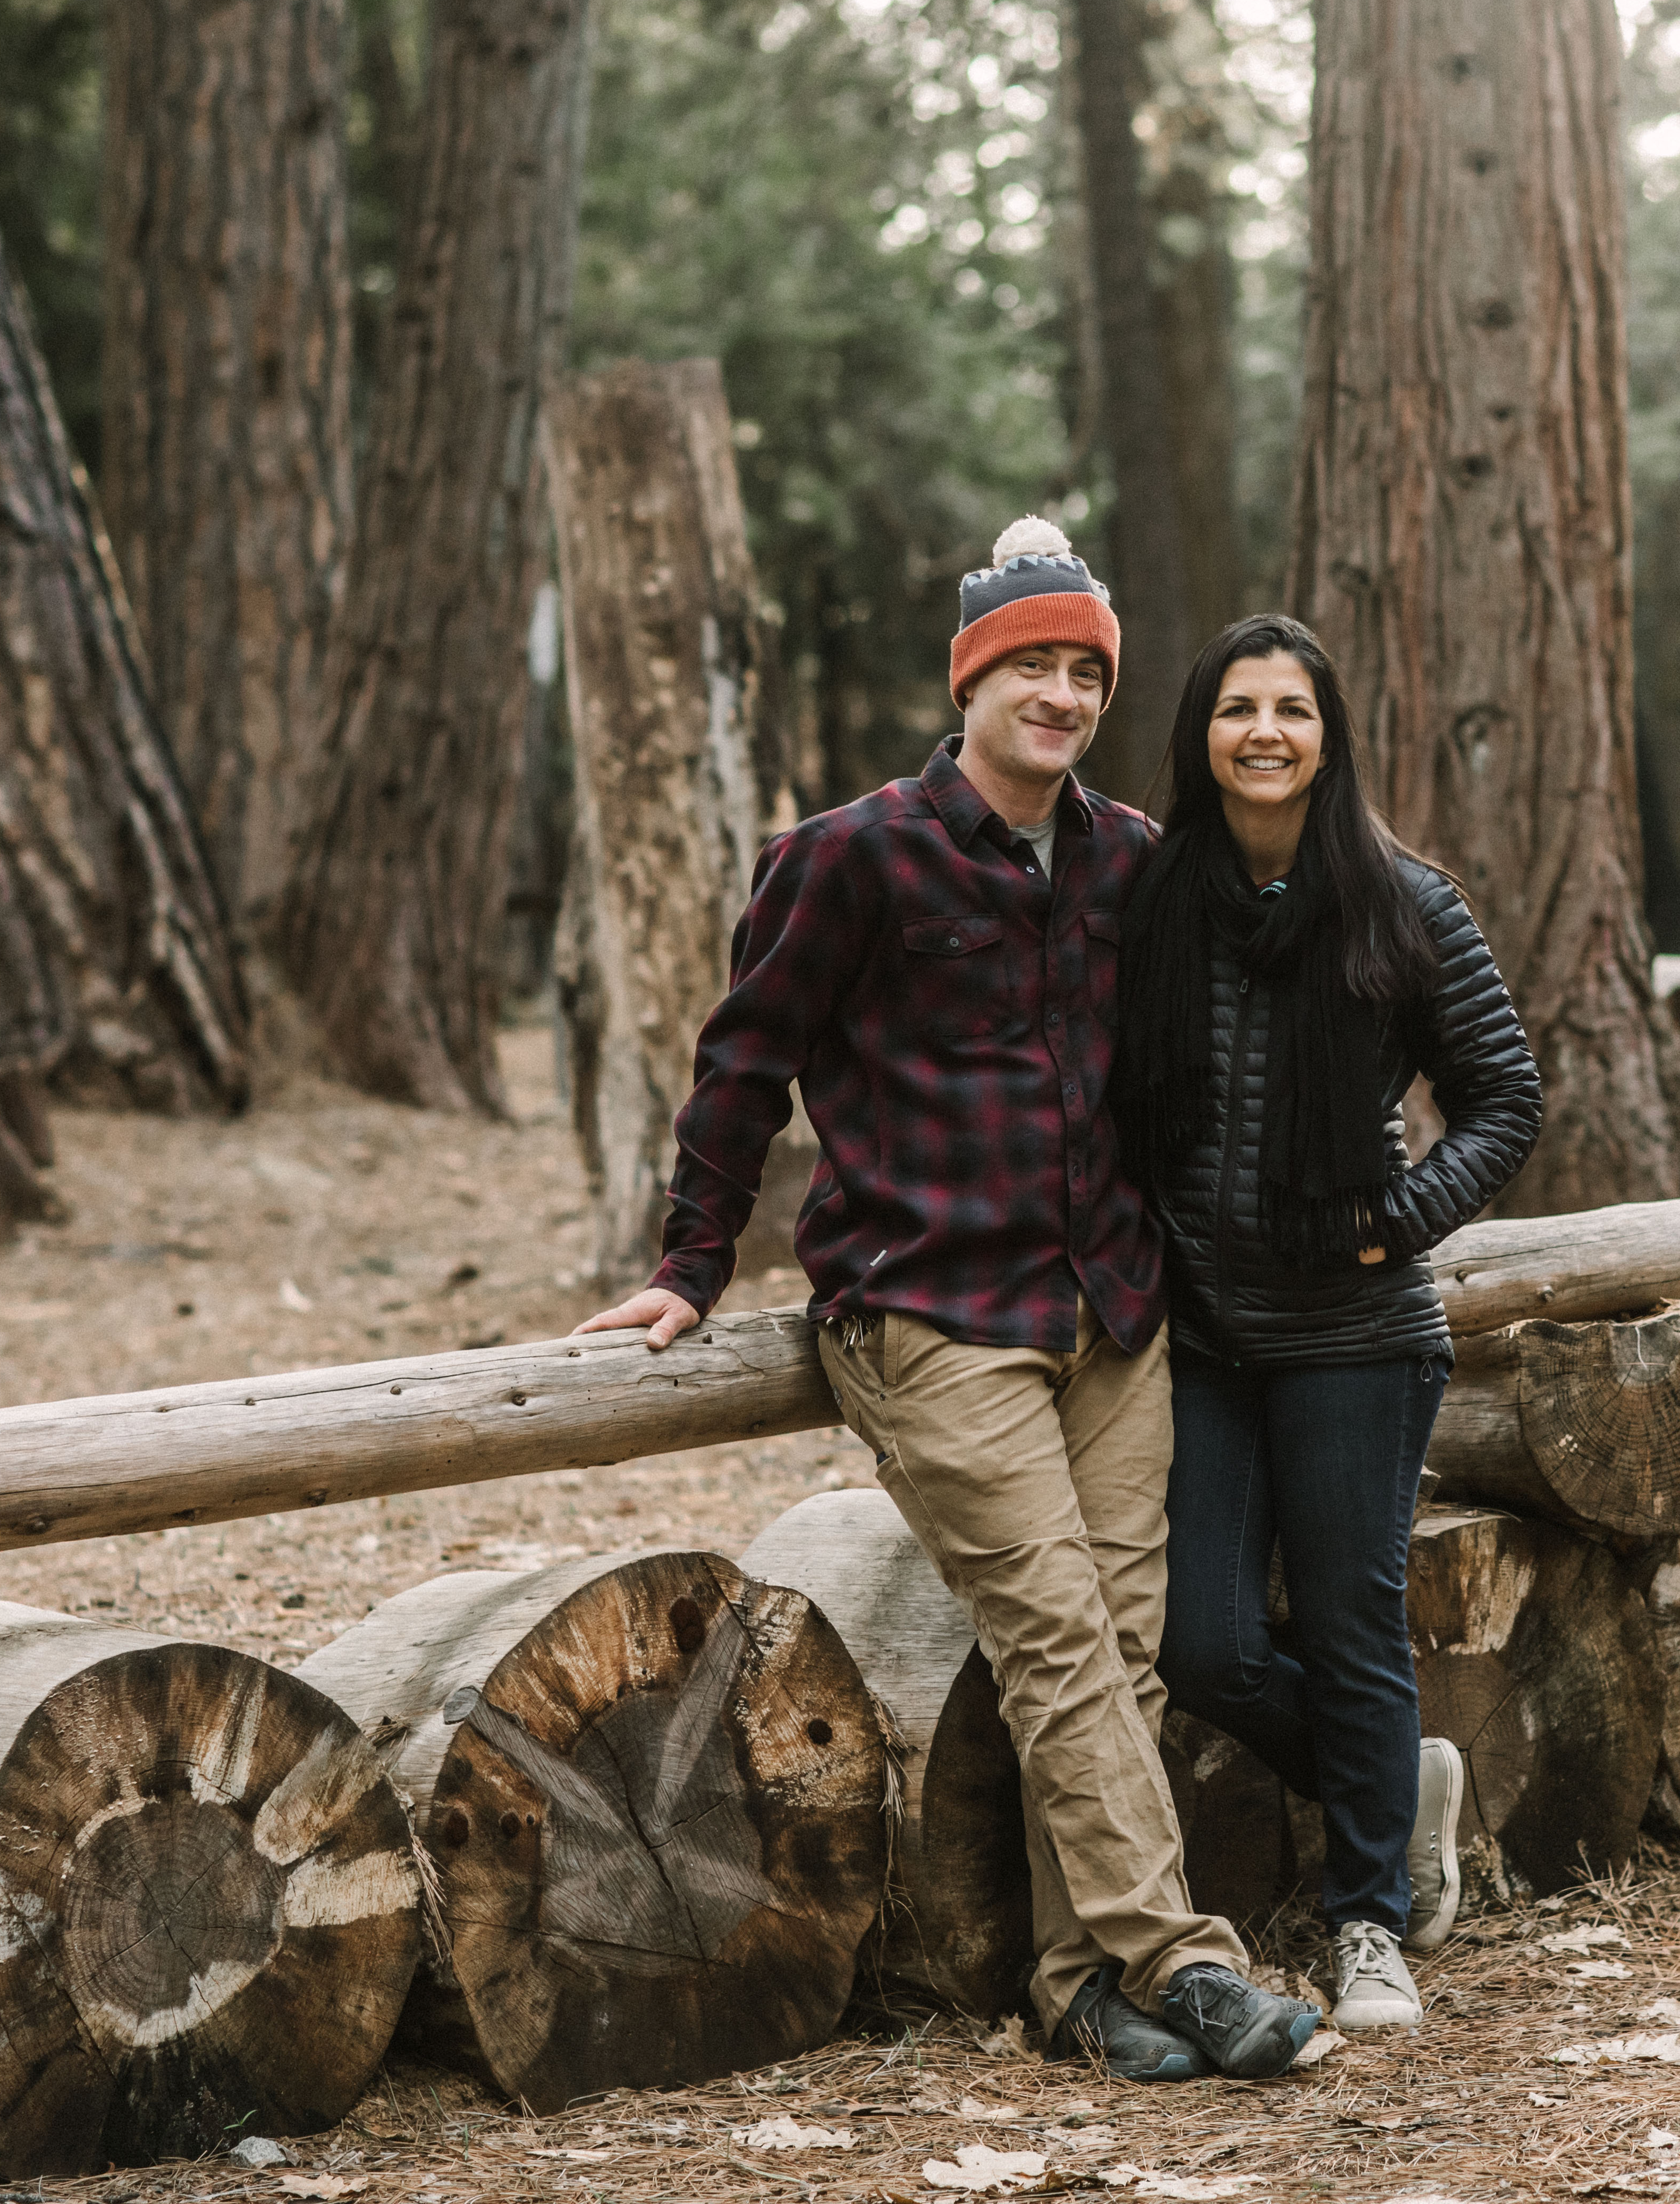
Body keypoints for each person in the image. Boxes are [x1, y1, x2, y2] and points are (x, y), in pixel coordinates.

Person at [576, 520, 1318, 2084]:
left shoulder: (1126, 854)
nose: (1060, 694)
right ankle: (1182, 1962)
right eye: (1032, 666)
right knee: (1056, 1638)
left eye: (1085, 672)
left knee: (1117, 1649)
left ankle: (1075, 1990)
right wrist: (687, 1268)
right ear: (972, 678)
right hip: (929, 1308)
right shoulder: (849, 855)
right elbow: (743, 1069)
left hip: (1111, 1312)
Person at [1117, 614, 1543, 2038]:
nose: (1264, 733)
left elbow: (1507, 1099)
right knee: (1207, 1646)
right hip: (1207, 1338)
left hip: (1359, 1333)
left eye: (1291, 709)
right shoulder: (1154, 896)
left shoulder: (1402, 902)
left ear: (1328, 732)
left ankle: (1372, 1924)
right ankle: (1400, 1780)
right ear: (1202, 736)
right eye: (1238, 707)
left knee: (1357, 1633)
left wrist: (1398, 1220)